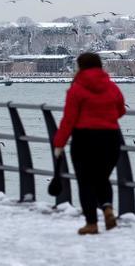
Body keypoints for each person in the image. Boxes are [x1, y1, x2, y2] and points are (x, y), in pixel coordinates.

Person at [52, 52, 126, 235]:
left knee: (86, 182)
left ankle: (92, 223)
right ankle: (108, 208)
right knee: (101, 177)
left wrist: (59, 143)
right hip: (111, 138)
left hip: (85, 139)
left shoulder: (76, 89)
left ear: (80, 67)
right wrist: (106, 120)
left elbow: (69, 119)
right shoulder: (112, 87)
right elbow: (120, 110)